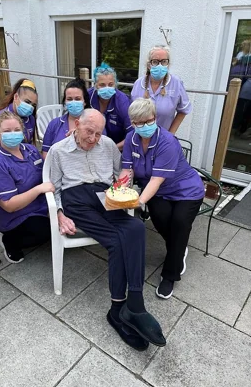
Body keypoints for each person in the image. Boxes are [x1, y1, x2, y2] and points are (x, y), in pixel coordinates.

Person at [48, 108, 166, 351]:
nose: (93, 138)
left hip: (104, 196)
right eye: (89, 132)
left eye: (98, 134)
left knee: (135, 228)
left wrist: (124, 189)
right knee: (115, 241)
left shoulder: (109, 144)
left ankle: (133, 305)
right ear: (77, 124)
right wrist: (59, 214)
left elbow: (119, 176)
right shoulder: (58, 151)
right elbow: (55, 189)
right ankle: (118, 309)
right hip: (75, 200)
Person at [120, 98, 204, 299]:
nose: (144, 126)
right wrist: (121, 191)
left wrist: (138, 201)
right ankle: (179, 247)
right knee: (160, 215)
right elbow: (126, 169)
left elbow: (157, 180)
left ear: (155, 118)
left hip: (186, 190)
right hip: (158, 192)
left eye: (148, 121)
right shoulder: (131, 140)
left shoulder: (167, 141)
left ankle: (170, 275)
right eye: (139, 123)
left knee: (180, 221)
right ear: (132, 123)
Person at [0, 111, 54, 264]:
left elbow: (44, 173)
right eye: (6, 131)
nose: (12, 134)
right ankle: (10, 241)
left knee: (59, 223)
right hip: (12, 214)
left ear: (23, 131)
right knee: (46, 232)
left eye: (16, 130)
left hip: (36, 205)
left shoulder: (31, 150)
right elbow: (9, 205)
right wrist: (39, 189)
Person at [131, 45, 192, 134]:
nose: (160, 65)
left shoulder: (176, 83)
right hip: (140, 136)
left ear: (168, 64)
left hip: (164, 137)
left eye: (164, 61)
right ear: (149, 65)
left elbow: (183, 110)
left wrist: (170, 134)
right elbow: (132, 114)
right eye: (155, 62)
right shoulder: (138, 84)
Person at [0, 78, 38, 159]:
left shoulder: (30, 119)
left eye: (33, 105)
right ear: (16, 97)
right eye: (27, 102)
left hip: (22, 159)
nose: (30, 107)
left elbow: (28, 145)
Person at [42, 78, 91, 158]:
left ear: (85, 101)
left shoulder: (95, 124)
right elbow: (46, 153)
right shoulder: (54, 124)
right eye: (69, 99)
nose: (73, 102)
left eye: (77, 99)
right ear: (65, 102)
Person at [88, 62, 132, 150]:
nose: (107, 88)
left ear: (115, 84)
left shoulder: (123, 102)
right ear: (96, 85)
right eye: (102, 85)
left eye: (111, 84)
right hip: (90, 145)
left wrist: (113, 149)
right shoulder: (88, 96)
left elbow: (132, 133)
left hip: (117, 147)